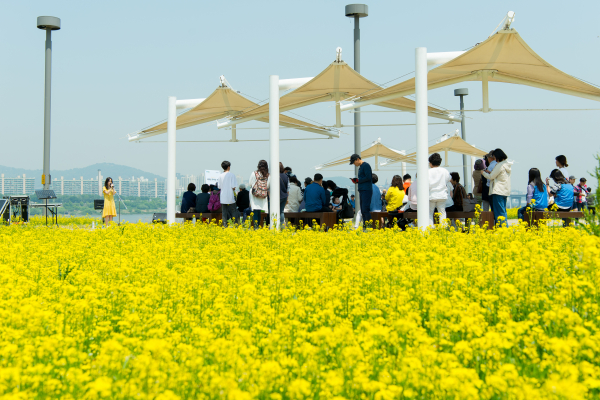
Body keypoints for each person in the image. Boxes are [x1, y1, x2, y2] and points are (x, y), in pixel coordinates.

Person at [482, 148, 512, 227]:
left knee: (499, 212)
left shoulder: (499, 165)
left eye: (494, 157)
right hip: (505, 190)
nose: (494, 159)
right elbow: (498, 176)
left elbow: (491, 177)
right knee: (502, 211)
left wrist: (483, 173)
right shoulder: (507, 165)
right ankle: (504, 228)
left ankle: (503, 229)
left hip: (498, 191)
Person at [427, 153, 451, 226]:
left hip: (431, 195)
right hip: (442, 194)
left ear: (431, 163)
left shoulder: (428, 171)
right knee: (442, 212)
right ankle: (443, 229)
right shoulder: (445, 171)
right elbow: (449, 179)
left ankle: (430, 228)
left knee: (430, 213)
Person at [350, 153, 373, 227]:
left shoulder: (365, 165)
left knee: (365, 209)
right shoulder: (361, 167)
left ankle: (368, 226)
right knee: (363, 210)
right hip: (363, 190)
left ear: (358, 159)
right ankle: (365, 226)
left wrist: (359, 180)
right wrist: (357, 181)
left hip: (366, 190)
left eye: (354, 162)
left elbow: (368, 177)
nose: (354, 164)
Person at [248, 160, 271, 228]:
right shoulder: (268, 175)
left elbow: (250, 183)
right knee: (260, 212)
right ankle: (258, 226)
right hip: (263, 194)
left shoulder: (254, 173)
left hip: (255, 194)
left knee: (255, 210)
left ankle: (256, 227)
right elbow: (268, 186)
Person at [218, 161, 237, 227]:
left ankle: (224, 225)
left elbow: (219, 187)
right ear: (228, 167)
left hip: (223, 195)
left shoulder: (220, 175)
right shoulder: (232, 175)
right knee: (233, 210)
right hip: (230, 195)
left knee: (224, 211)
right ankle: (235, 224)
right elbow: (233, 187)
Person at [278, 162, 289, 227]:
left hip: (277, 197)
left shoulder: (273, 175)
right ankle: (282, 226)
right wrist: (287, 198)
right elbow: (288, 188)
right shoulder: (286, 176)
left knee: (274, 211)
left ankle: (274, 226)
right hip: (284, 196)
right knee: (281, 211)